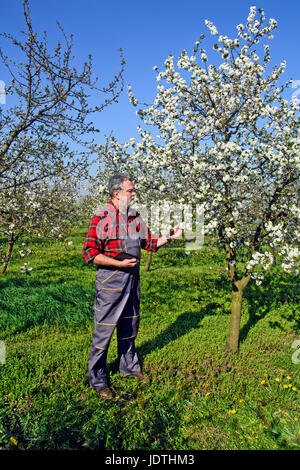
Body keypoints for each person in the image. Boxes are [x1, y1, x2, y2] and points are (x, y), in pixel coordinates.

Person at [82, 174, 182, 399]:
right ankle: (98, 379)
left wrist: (170, 236)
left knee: (129, 327)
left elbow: (148, 242)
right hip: (111, 282)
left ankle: (128, 367)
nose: (134, 194)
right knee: (104, 330)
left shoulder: (135, 217)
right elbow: (90, 253)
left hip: (132, 281)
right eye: (130, 191)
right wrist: (118, 262)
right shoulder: (102, 218)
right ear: (117, 194)